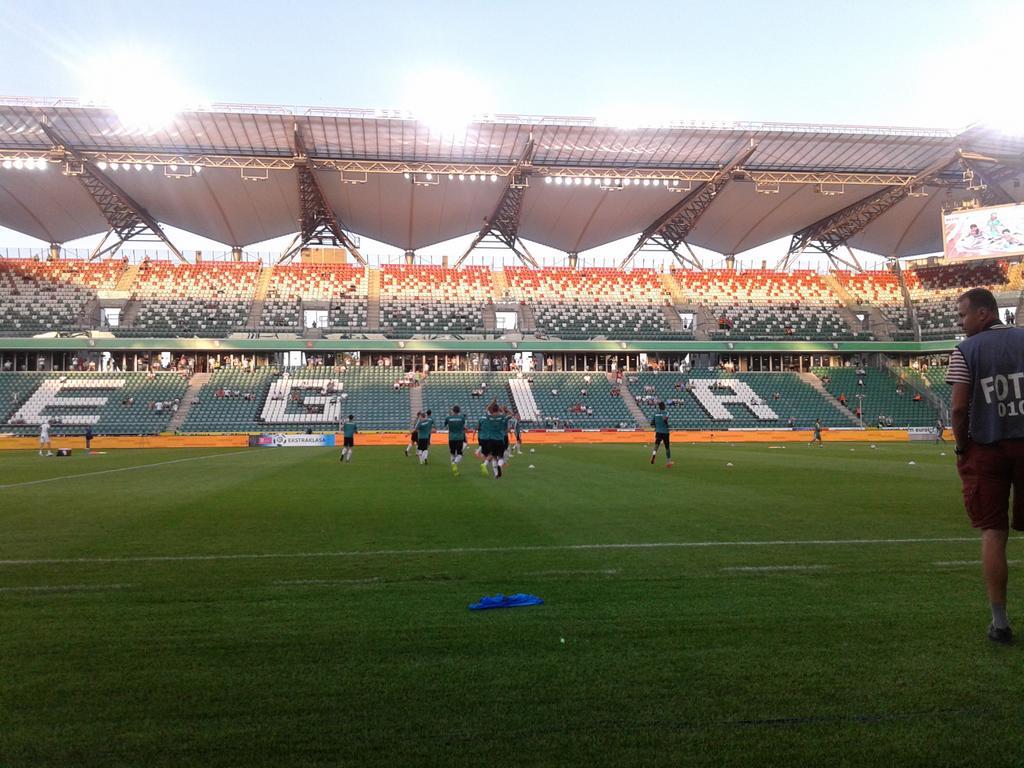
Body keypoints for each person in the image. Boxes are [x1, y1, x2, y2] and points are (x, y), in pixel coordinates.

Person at [948, 287, 1024, 644]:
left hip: (986, 448)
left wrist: (961, 446)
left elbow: (958, 409)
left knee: (993, 532)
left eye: (963, 315)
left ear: (983, 313)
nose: (960, 323)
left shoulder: (965, 350)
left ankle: (1000, 623)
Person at [444, 405, 467, 476]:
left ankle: (454, 470)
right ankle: (455, 463)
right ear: (459, 410)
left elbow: (445, 426)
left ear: (453, 410)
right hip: (459, 438)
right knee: (460, 454)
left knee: (452, 453)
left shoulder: (448, 418)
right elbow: (464, 427)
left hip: (451, 437)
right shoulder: (462, 418)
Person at [649, 401, 673, 468]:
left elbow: (651, 423)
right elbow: (665, 419)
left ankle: (653, 455)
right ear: (663, 406)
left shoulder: (655, 413)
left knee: (656, 445)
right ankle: (668, 462)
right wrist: (667, 425)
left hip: (658, 431)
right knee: (667, 447)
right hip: (665, 432)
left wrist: (657, 426)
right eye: (664, 405)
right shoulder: (666, 413)